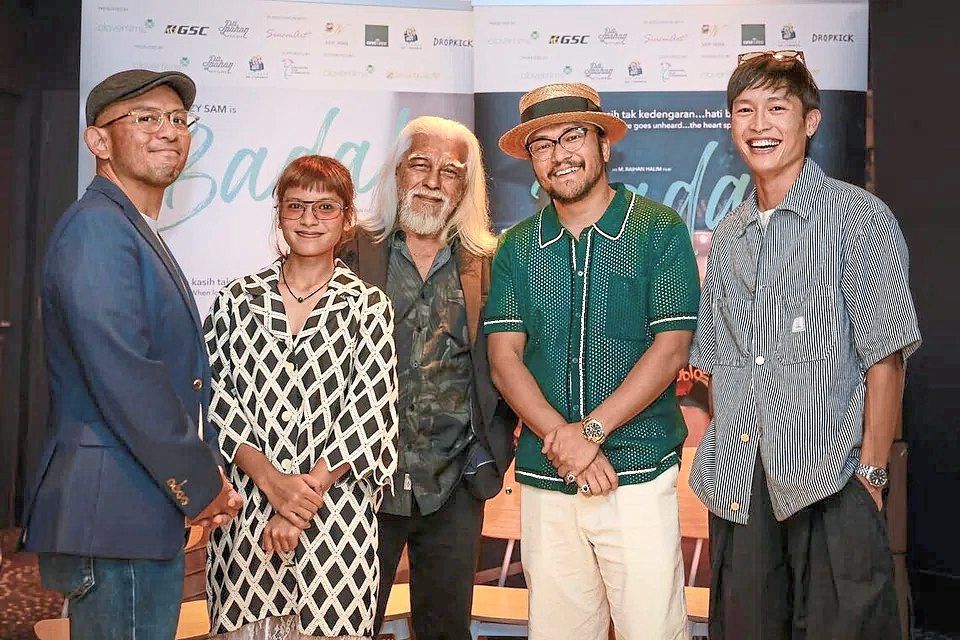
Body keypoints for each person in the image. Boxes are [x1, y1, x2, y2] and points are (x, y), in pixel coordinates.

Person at [688, 49, 921, 640]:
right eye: (744, 110)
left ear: (810, 121)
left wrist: (870, 474)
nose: (759, 124)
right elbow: (715, 364)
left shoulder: (860, 219)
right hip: (742, 487)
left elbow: (885, 358)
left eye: (776, 107)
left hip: (832, 481)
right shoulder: (732, 234)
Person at [19, 69, 242, 640]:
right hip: (114, 515)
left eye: (176, 119)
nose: (168, 131)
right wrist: (202, 484)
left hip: (130, 512)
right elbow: (126, 377)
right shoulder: (98, 230)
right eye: (145, 118)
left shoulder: (129, 226)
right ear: (99, 142)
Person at [485, 82, 699, 640]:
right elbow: (504, 360)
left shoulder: (658, 230)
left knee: (653, 631)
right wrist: (567, 441)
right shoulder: (516, 246)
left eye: (573, 137)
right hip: (545, 477)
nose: (559, 155)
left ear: (604, 145)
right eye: (542, 144)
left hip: (638, 476)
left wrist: (595, 430)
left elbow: (672, 348)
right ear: (531, 162)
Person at [204, 155, 399, 640]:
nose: (309, 219)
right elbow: (215, 400)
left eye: (325, 207)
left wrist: (298, 503)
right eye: (296, 206)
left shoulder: (369, 306)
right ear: (279, 214)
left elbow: (370, 415)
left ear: (347, 218)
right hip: (246, 514)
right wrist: (271, 484)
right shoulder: (236, 299)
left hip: (336, 518)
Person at [338, 115, 517, 640]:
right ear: (396, 173)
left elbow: (515, 361)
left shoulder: (492, 261)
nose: (433, 181)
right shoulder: (349, 251)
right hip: (359, 480)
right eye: (420, 165)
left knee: (446, 630)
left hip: (456, 480)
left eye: (451, 171)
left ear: (468, 186)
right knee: (346, 625)